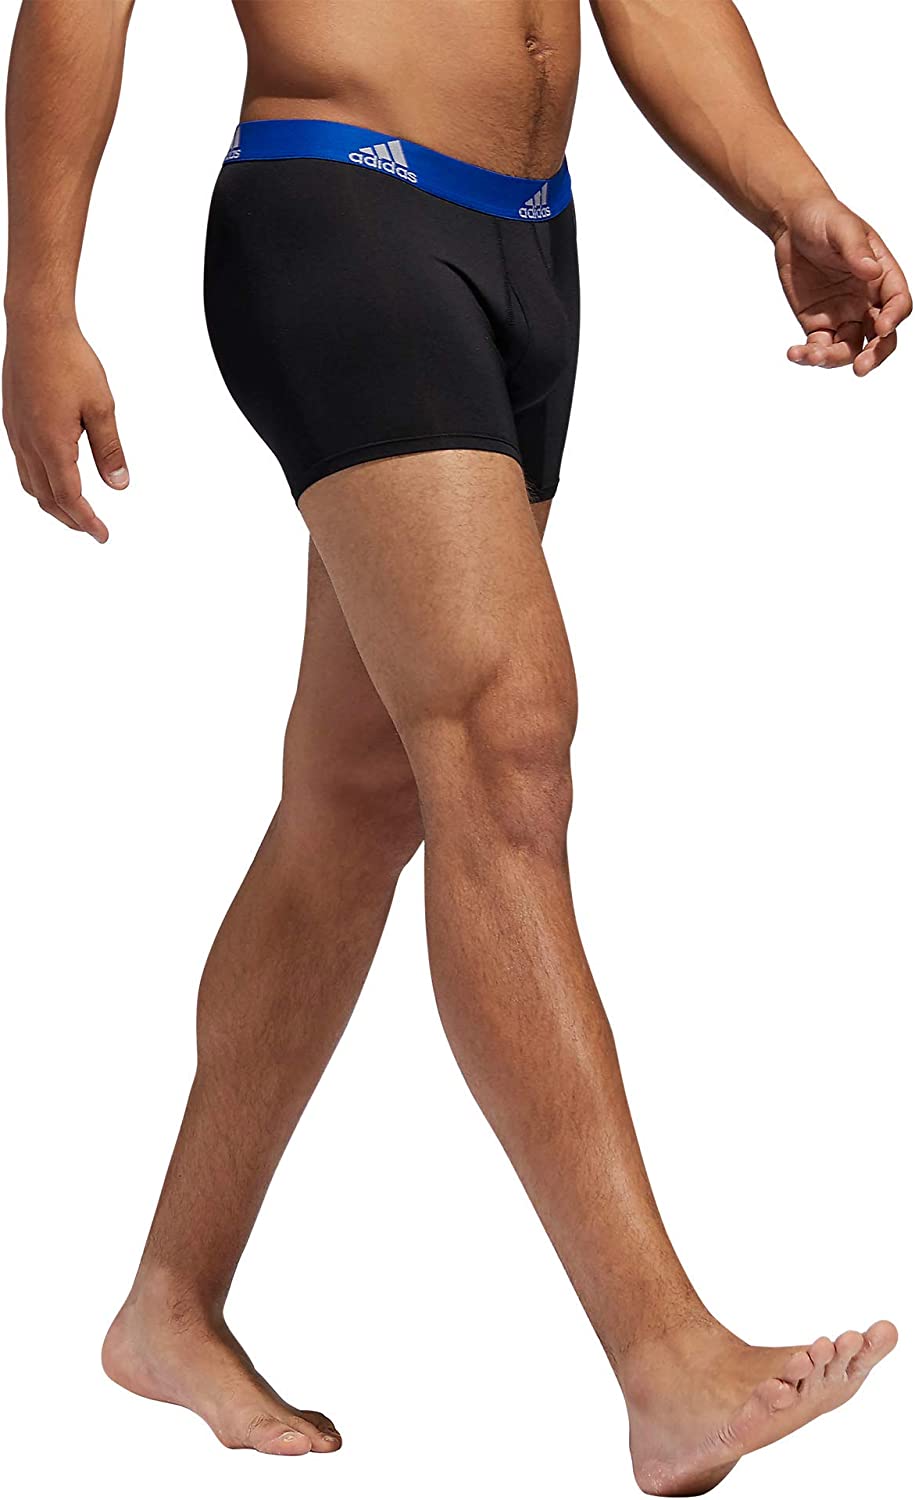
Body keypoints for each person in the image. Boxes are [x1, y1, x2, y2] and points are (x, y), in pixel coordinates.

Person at [3, 1, 909, 1491]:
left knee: (356, 795)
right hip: (341, 207)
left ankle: (169, 1300)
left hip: (529, 239)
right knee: (504, 741)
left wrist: (787, 187)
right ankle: (664, 1358)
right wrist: (41, 305)